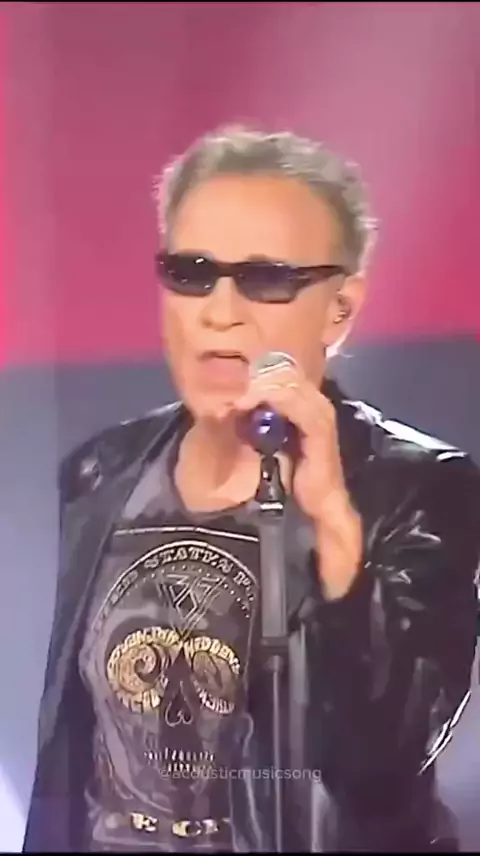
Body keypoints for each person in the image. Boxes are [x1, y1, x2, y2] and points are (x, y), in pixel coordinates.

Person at [23, 126, 480, 853]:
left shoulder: (417, 490)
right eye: (192, 272)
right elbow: (70, 755)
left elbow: (384, 772)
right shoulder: (102, 470)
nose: (220, 309)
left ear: (339, 308)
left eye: (265, 278)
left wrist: (334, 524)